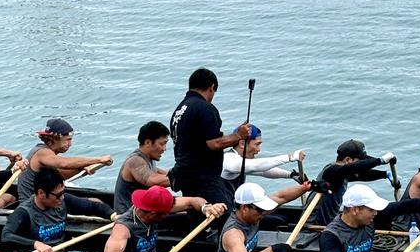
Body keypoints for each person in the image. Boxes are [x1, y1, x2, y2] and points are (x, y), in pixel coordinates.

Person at [169, 68, 252, 221]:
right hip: (203, 178)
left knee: (198, 216)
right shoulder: (205, 108)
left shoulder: (179, 111)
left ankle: (198, 242)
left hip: (184, 175)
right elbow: (214, 143)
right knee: (228, 216)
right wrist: (238, 135)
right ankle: (227, 244)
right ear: (212, 87)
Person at [1, 167, 110, 252]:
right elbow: (6, 237)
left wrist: (114, 216)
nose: (62, 198)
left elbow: (93, 206)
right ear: (41, 193)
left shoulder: (62, 201)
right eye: (58, 195)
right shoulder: (24, 212)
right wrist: (36, 244)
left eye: (63, 193)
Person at [104, 185, 222, 252]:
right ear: (153, 213)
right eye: (167, 213)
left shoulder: (155, 207)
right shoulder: (123, 227)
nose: (170, 212)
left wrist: (206, 208)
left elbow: (192, 201)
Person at [216, 181, 324, 252]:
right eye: (261, 210)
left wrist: (308, 187)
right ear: (244, 208)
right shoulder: (233, 233)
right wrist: (272, 250)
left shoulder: (253, 214)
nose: (264, 213)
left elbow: (282, 197)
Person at [16, 118, 112, 202]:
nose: (70, 144)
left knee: (95, 202)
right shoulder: (42, 153)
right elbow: (64, 164)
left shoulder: (49, 156)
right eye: (68, 140)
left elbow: (61, 175)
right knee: (95, 202)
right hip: (32, 206)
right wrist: (99, 159)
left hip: (47, 200)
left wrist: (80, 168)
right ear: (55, 138)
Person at [311, 139, 395, 226]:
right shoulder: (332, 171)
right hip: (313, 225)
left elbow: (363, 175)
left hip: (328, 222)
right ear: (348, 159)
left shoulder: (344, 174)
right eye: (360, 162)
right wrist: (380, 161)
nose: (361, 166)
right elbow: (354, 168)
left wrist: (384, 174)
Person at [220, 124, 305, 198]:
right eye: (257, 144)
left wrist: (291, 175)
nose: (258, 150)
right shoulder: (228, 159)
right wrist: (289, 157)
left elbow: (263, 171)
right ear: (242, 144)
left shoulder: (240, 161)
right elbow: (254, 166)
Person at [113, 121, 173, 215]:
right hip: (129, 217)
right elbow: (152, 180)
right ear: (148, 142)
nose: (164, 149)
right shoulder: (135, 161)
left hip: (146, 212)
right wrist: (182, 179)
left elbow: (162, 173)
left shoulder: (149, 159)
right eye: (162, 144)